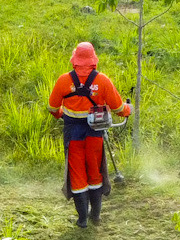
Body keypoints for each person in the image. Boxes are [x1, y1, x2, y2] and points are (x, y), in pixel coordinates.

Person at [47, 42, 131, 227]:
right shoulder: (102, 81)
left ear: (74, 60)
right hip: (95, 134)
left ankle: (82, 219)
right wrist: (128, 110)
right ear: (93, 60)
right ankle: (96, 216)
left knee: (77, 174)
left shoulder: (63, 81)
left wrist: (61, 114)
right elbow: (118, 107)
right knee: (95, 172)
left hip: (73, 135)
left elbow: (52, 108)